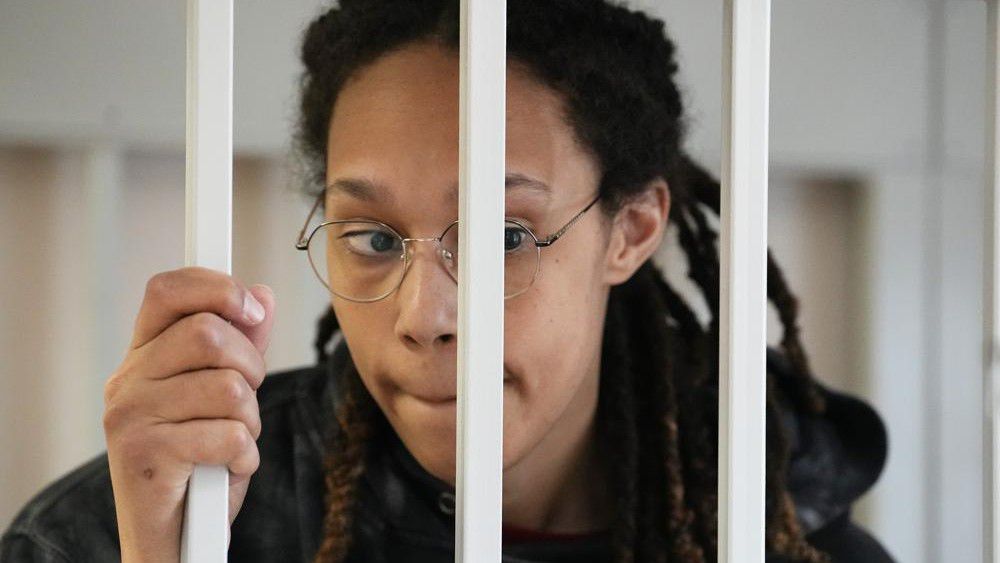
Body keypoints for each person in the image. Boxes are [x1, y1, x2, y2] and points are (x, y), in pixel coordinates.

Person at [1, 1, 894, 561]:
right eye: (375, 238)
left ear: (632, 230)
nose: (425, 315)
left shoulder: (775, 535)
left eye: (507, 235)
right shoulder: (151, 519)